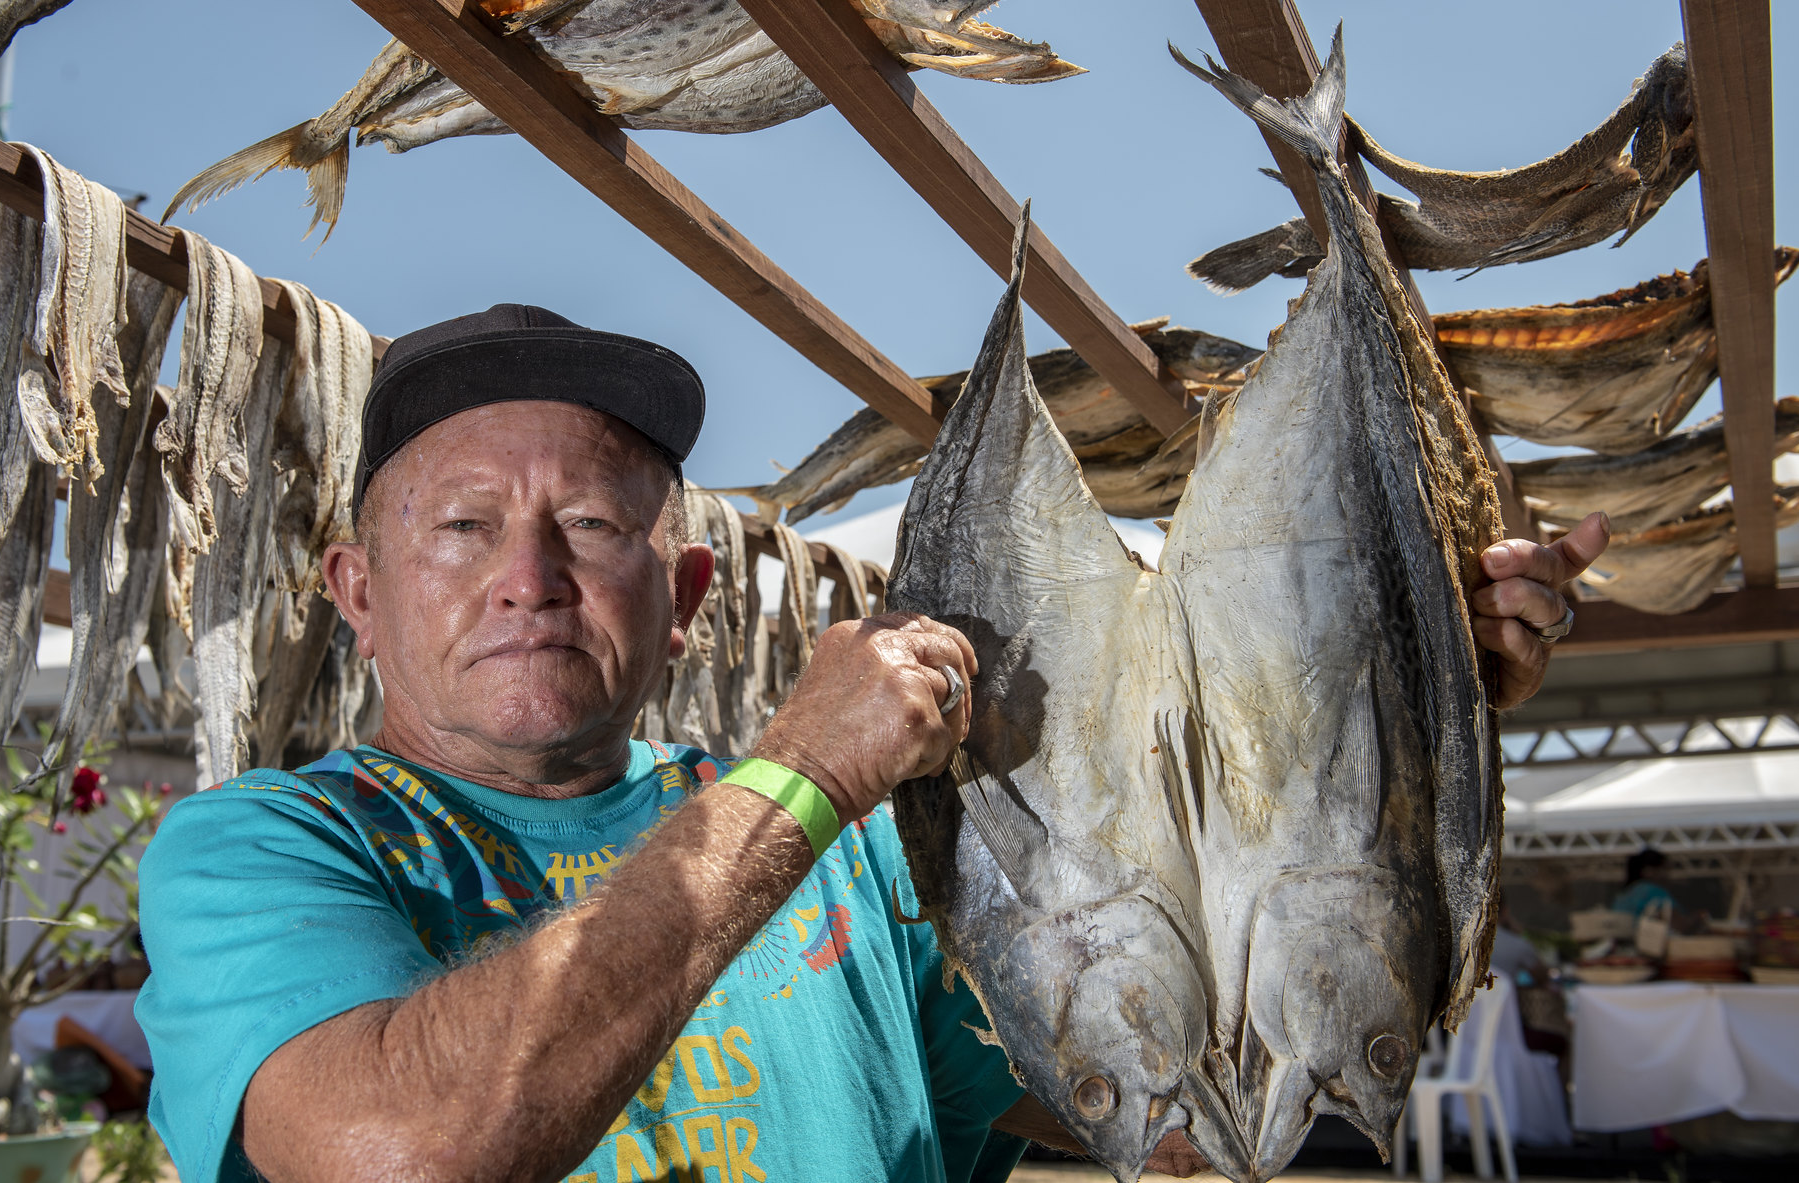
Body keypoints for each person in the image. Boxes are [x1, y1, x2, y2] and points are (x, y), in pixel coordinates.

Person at [135, 304, 1611, 1183]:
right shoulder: (264, 848)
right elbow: (398, 1153)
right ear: (356, 594)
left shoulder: (878, 858)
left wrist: (1407, 740)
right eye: (462, 526)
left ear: (689, 596)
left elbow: (1154, 1081)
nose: (532, 574)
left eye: (593, 524)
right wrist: (809, 774)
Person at [1610, 847, 1676, 918]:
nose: (1668, 875)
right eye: (1665, 869)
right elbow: (1678, 921)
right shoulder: (1652, 891)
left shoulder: (1624, 894)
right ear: (1649, 870)